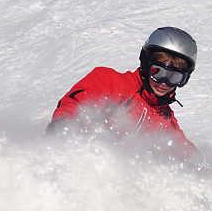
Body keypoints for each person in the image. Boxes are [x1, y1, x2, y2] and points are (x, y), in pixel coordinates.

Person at [47, 27, 198, 156]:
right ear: (146, 65)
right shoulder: (112, 82)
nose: (164, 82)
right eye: (158, 72)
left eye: (174, 77)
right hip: (84, 160)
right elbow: (77, 102)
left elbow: (185, 153)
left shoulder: (166, 122)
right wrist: (63, 125)